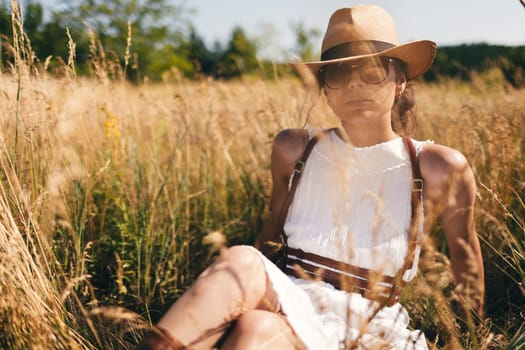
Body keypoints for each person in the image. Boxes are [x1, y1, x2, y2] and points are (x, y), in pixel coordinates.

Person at [137, 4, 485, 349]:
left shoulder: (434, 166)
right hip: (291, 297)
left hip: (370, 323)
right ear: (326, 90)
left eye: (371, 70)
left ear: (399, 81)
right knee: (251, 310)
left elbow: (465, 261)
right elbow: (270, 236)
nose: (353, 83)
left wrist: (467, 339)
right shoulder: (295, 149)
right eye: (337, 73)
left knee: (254, 326)